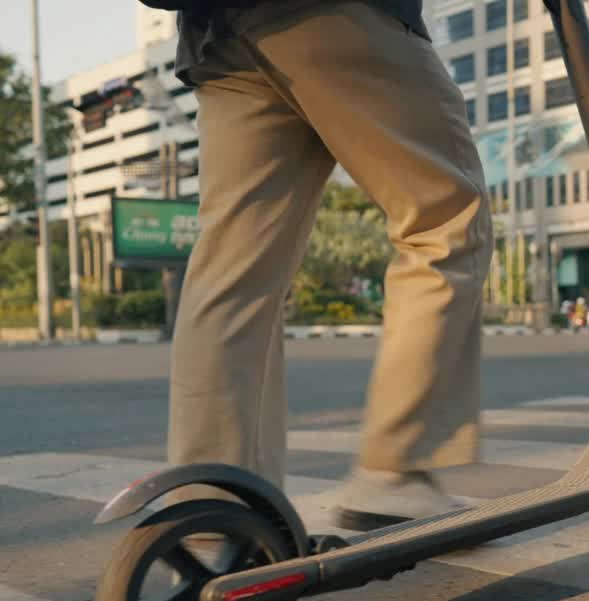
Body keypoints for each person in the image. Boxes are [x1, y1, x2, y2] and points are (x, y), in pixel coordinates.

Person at [151, 1, 494, 531]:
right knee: (446, 219)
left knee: (234, 271)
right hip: (336, 11)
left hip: (219, 34)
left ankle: (214, 511)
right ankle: (395, 471)